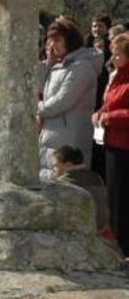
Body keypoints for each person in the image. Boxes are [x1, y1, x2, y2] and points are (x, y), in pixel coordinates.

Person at [38, 18, 102, 180]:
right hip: (52, 135)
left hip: (70, 138)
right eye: (50, 40)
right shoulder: (58, 65)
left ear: (70, 40)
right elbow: (37, 90)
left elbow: (62, 101)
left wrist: (35, 107)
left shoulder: (82, 66)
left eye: (57, 40)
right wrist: (48, 64)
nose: (52, 45)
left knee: (68, 185)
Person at [95, 32, 129, 253]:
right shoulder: (117, 77)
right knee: (113, 197)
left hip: (125, 146)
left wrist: (109, 118)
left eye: (118, 54)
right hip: (112, 143)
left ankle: (123, 246)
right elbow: (109, 103)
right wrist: (99, 114)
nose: (113, 58)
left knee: (122, 199)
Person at [51, 145, 109, 235]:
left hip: (85, 230)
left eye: (55, 166)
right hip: (102, 227)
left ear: (68, 165)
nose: (53, 170)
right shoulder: (97, 177)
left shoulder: (63, 182)